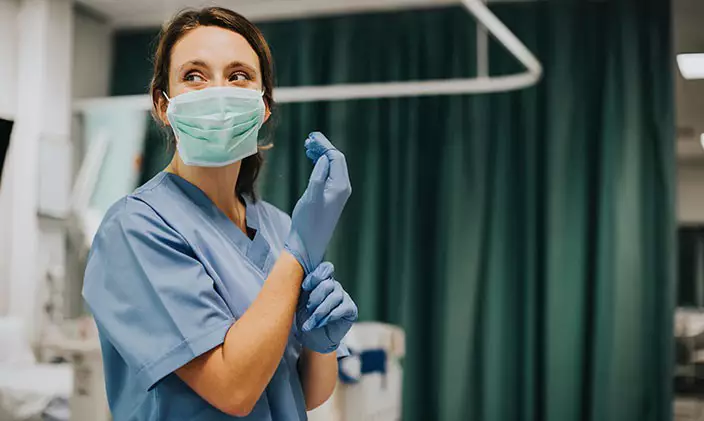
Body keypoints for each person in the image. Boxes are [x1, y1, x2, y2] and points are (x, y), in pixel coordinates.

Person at [82, 7, 358, 421]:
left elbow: (308, 394)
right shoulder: (135, 229)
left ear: (263, 107)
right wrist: (298, 251)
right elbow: (234, 389)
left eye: (238, 75)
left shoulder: (279, 226)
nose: (217, 91)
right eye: (194, 75)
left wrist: (322, 346)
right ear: (162, 104)